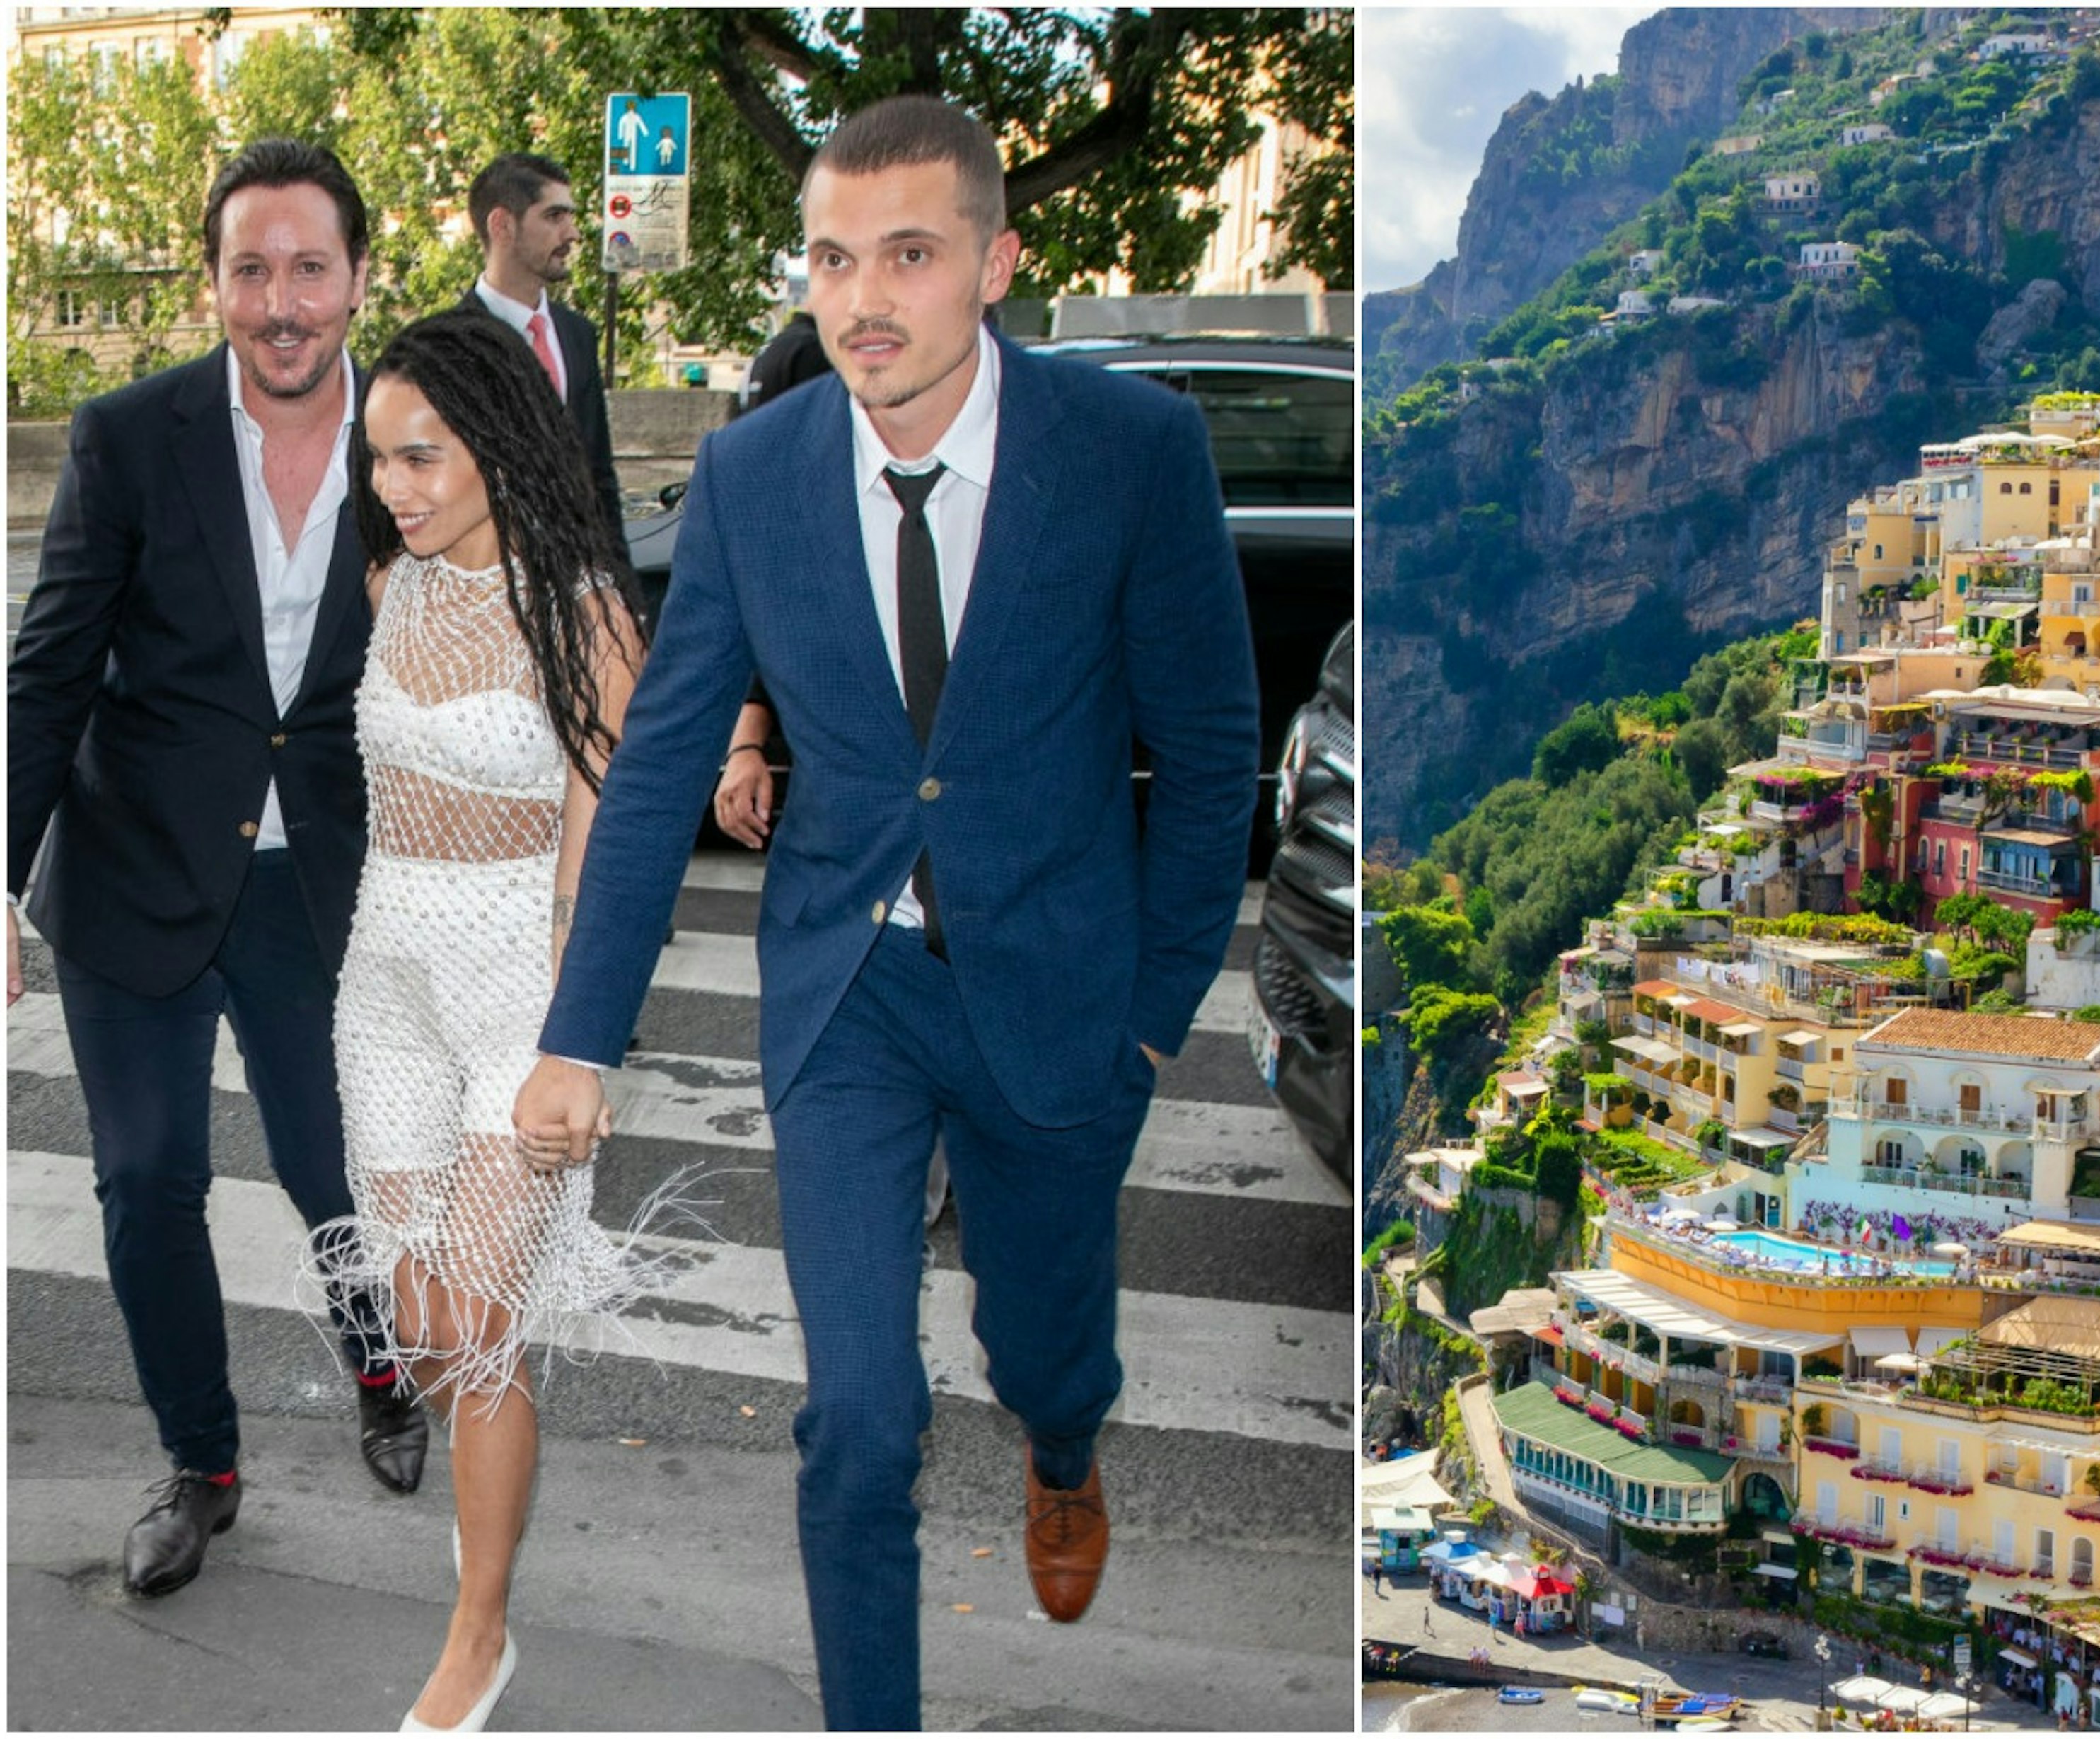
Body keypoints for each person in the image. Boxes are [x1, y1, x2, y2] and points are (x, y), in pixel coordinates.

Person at [510, 95, 1258, 1730]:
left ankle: (1065, 1448)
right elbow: (652, 780)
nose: (862, 301)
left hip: (1059, 992)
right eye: (834, 258)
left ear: (993, 261)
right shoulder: (754, 474)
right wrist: (579, 1033)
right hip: (848, 992)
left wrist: (1146, 1019)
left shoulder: (1132, 455)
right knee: (857, 1414)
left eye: (906, 256)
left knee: (1042, 1346)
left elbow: (1211, 769)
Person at [5, 137, 427, 1599]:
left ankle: (380, 1366)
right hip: (132, 869)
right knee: (144, 1178)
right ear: (216, 285)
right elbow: (48, 672)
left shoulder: (418, 442)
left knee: (336, 1166)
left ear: (359, 278)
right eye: (252, 269)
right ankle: (203, 1462)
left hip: (313, 877)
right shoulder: (131, 437)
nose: (283, 299)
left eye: (311, 266)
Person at [311, 308, 657, 1732]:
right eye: (379, 456)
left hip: (517, 989)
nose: (393, 483)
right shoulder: (393, 579)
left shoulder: (582, 613)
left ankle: (481, 1623)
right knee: (422, 1323)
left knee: (480, 1324)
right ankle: (485, 1497)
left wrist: (581, 1041)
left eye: (422, 453)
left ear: (497, 445)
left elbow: (607, 846)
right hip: (383, 982)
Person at [456, 153, 627, 565]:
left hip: (579, 590)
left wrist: (624, 595)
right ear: (503, 226)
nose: (572, 233)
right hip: (488, 598)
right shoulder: (451, 345)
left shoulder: (578, 336)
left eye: (570, 216)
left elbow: (599, 477)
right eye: (554, 217)